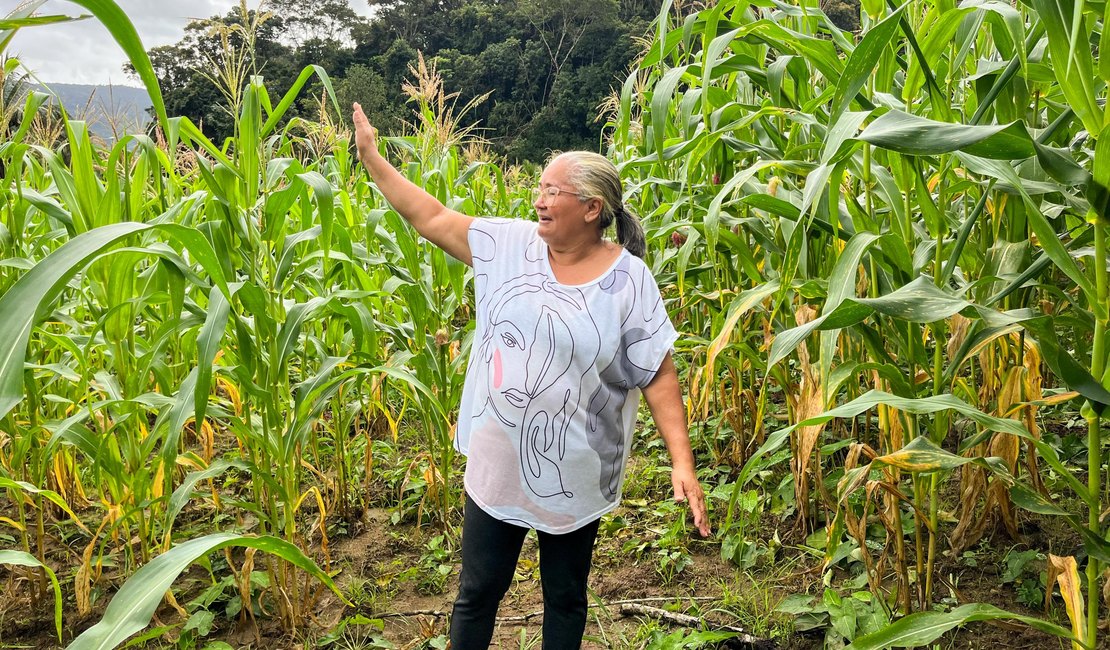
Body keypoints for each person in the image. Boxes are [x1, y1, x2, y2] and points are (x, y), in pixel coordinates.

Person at [352, 103, 710, 649]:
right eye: (539, 188)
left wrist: (682, 462)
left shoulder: (629, 281)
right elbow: (430, 216)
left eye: (551, 191)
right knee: (478, 592)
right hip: (498, 459)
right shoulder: (509, 246)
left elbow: (657, 371)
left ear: (592, 208)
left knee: (565, 597)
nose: (538, 200)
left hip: (576, 469)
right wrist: (374, 160)